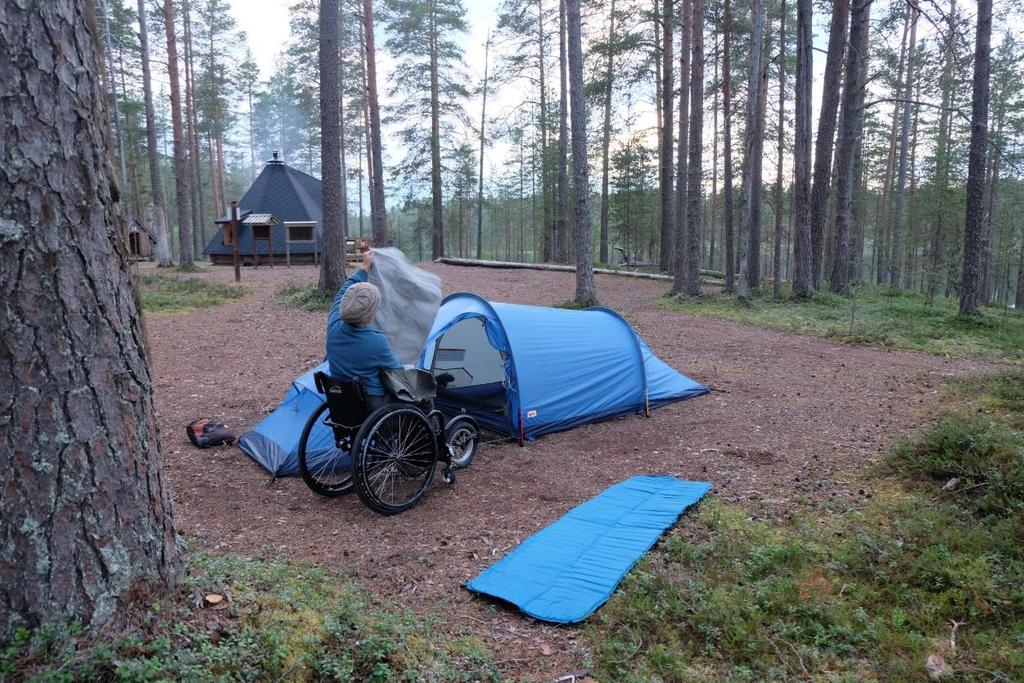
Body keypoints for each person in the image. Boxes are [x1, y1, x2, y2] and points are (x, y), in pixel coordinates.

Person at [325, 250, 402, 410]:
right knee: (422, 401)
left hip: (344, 402)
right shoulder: (377, 341)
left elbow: (343, 292)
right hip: (373, 405)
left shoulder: (334, 326)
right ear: (369, 316)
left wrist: (364, 267)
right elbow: (398, 374)